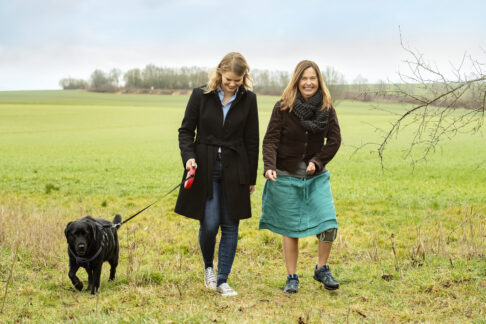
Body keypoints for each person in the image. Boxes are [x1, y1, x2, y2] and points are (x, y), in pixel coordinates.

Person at [175, 52, 259, 297]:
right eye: (229, 79)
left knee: (231, 225)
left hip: (237, 168)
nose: (233, 84)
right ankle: (208, 267)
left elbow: (252, 140)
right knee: (210, 224)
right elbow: (185, 131)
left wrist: (251, 178)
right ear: (220, 72)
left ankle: (223, 280)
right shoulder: (200, 95)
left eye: (238, 80)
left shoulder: (249, 100)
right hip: (205, 167)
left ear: (245, 77)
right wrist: (188, 157)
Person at [260, 60, 341, 293]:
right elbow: (271, 139)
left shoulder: (327, 107)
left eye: (312, 78)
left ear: (318, 81)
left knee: (328, 223)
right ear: (297, 80)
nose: (308, 82)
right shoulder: (283, 107)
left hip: (316, 177)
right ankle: (292, 276)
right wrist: (269, 166)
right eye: (304, 78)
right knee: (290, 228)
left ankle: (321, 269)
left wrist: (317, 161)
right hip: (286, 175)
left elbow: (334, 140)